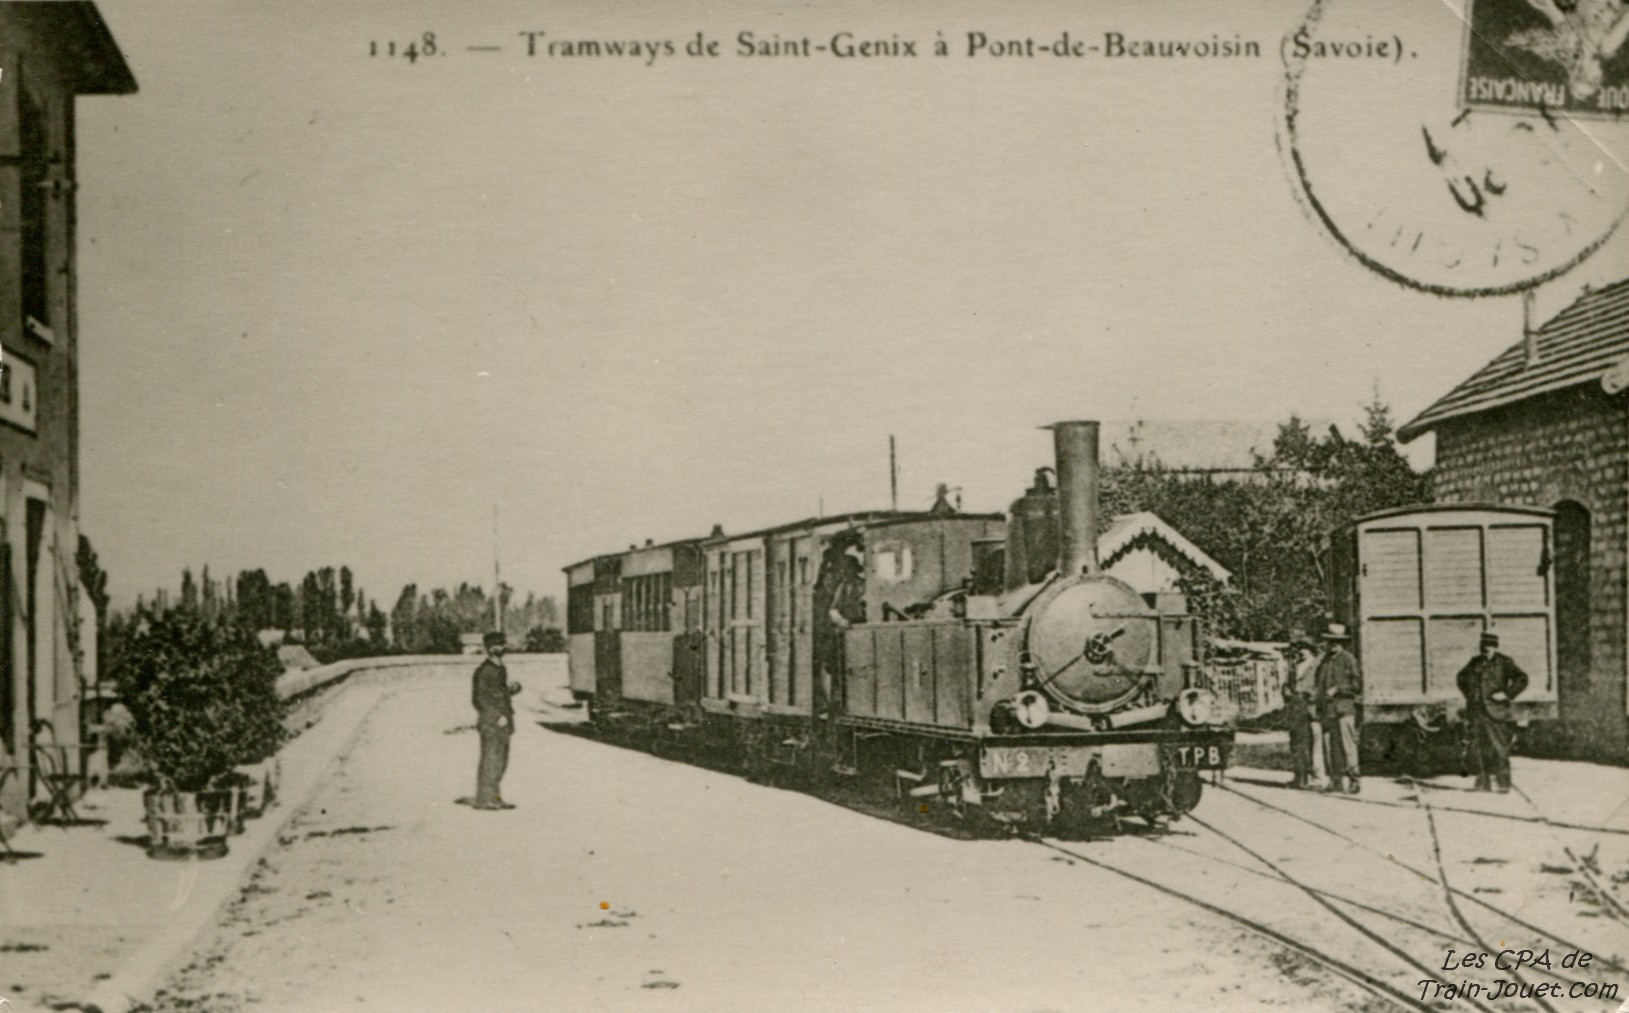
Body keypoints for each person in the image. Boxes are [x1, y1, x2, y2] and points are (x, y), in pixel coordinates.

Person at [1456, 631, 1528, 793]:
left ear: (1495, 647)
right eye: (1483, 647)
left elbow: (1522, 679)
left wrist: (1507, 694)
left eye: (1488, 647)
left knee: (1500, 748)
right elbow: (1461, 678)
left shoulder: (1504, 662)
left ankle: (1503, 784)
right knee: (1479, 748)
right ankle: (1483, 784)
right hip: (1477, 711)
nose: (1485, 650)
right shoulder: (1474, 662)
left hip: (1496, 712)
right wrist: (1471, 696)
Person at [472, 631, 522, 810]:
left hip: (503, 722)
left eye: (503, 644)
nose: (504, 647)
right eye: (499, 645)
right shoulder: (484, 671)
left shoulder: (500, 669)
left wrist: (512, 689)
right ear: (491, 648)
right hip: (491, 723)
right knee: (490, 761)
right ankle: (484, 800)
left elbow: (497, 694)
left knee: (500, 762)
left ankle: (495, 797)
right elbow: (479, 699)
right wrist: (496, 716)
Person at [1314, 622, 1362, 794]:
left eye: (1336, 641)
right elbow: (1319, 684)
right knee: (1330, 747)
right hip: (1328, 710)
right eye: (1329, 641)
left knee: (1348, 746)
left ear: (1342, 642)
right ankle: (1335, 781)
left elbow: (1357, 685)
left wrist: (1339, 689)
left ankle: (1354, 780)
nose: (1332, 644)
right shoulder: (1325, 661)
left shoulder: (1348, 659)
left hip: (1344, 710)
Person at [1285, 639, 1327, 790]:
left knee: (1314, 744)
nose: (1300, 651)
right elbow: (1288, 684)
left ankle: (1317, 777)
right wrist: (1286, 690)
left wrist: (1311, 697)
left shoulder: (1318, 665)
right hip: (1296, 708)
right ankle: (1300, 777)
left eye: (1304, 648)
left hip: (1311, 709)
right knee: (1297, 743)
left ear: (1311, 650)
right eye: (1299, 648)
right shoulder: (1295, 666)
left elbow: (1321, 685)